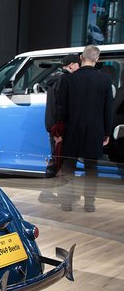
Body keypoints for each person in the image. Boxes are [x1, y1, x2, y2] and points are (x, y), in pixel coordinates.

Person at [56, 45, 113, 212]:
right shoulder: (105, 80)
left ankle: (66, 203)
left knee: (69, 166)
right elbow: (107, 109)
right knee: (91, 168)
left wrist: (61, 128)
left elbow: (61, 107)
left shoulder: (68, 79)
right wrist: (107, 132)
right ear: (97, 59)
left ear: (81, 57)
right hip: (95, 130)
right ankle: (89, 204)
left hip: (72, 129)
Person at [38, 54, 81, 203]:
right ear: (72, 65)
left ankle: (47, 193)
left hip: (53, 127)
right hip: (60, 129)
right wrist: (59, 131)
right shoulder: (65, 81)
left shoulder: (53, 80)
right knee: (64, 163)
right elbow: (61, 108)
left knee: (56, 160)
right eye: (78, 66)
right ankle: (62, 195)